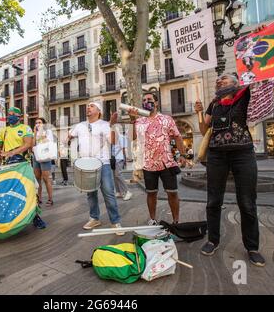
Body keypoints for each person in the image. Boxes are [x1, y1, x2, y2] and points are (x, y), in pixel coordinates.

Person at [194, 70, 267, 267]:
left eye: (223, 79)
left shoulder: (244, 95)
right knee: (213, 200)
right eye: (218, 80)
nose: (219, 81)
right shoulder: (214, 103)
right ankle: (213, 240)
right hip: (217, 155)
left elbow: (258, 89)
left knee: (247, 201)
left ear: (235, 83)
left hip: (243, 153)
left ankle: (252, 247)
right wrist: (199, 113)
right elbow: (203, 130)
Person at [129, 93, 186, 226]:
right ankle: (153, 219)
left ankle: (176, 221)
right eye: (144, 100)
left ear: (156, 103)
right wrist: (132, 120)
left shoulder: (167, 119)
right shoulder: (139, 121)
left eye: (149, 100)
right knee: (151, 193)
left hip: (167, 163)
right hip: (148, 164)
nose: (146, 102)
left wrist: (182, 155)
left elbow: (177, 136)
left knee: (172, 193)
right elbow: (132, 138)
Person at [68, 101, 124, 234]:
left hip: (102, 162)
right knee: (91, 194)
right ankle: (94, 218)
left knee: (108, 193)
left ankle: (115, 222)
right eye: (87, 106)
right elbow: (69, 137)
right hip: (86, 163)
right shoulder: (80, 125)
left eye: (91, 106)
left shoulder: (105, 125)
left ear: (98, 111)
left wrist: (112, 125)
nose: (88, 107)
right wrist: (69, 138)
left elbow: (114, 141)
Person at [0, 107, 47, 229]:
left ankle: (35, 217)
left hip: (23, 164)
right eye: (9, 114)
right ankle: (13, 218)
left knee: (31, 190)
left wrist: (12, 153)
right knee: (9, 191)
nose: (10, 116)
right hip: (7, 165)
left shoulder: (25, 128)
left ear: (19, 117)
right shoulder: (4, 130)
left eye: (13, 114)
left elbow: (28, 144)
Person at [33, 118, 54, 207]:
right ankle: (39, 198)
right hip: (36, 156)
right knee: (37, 179)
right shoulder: (34, 133)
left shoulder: (48, 131)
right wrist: (34, 133)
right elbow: (33, 144)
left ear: (43, 124)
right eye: (36, 123)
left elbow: (49, 142)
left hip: (45, 156)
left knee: (46, 179)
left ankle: (50, 199)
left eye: (40, 122)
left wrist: (41, 133)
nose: (38, 124)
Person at [112, 128, 132, 201]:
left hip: (119, 157)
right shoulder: (112, 137)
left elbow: (124, 149)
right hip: (113, 158)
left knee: (118, 174)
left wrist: (125, 160)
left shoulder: (121, 137)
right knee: (114, 175)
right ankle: (119, 192)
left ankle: (127, 191)